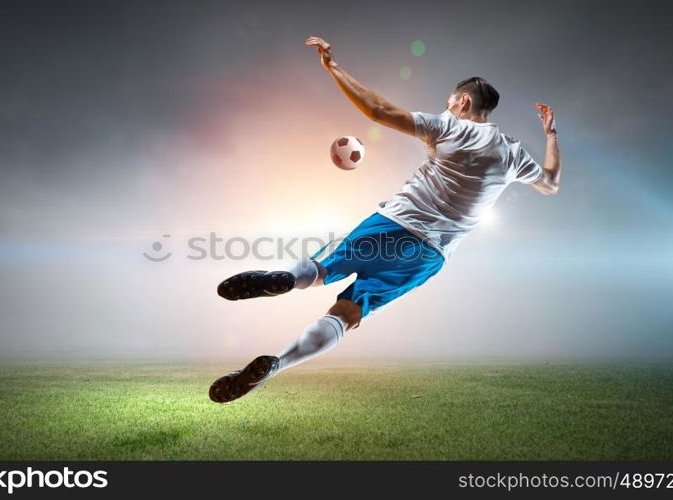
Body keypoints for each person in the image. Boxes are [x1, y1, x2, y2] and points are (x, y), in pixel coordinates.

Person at [208, 36, 561, 403]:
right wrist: (551, 136)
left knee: (322, 268)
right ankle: (278, 364)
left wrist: (333, 67)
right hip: (430, 255)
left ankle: (286, 278)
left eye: (450, 103)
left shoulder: (451, 126)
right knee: (347, 314)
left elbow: (377, 110)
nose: (448, 108)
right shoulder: (513, 154)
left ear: (464, 102)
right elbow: (550, 184)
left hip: (393, 222)